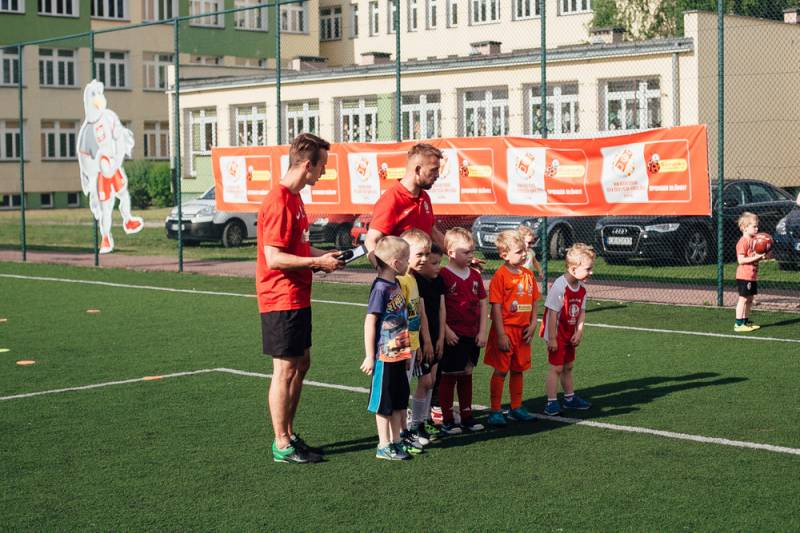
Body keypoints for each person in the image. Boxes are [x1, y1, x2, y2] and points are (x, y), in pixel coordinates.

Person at [257, 133, 345, 464]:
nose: (324, 172)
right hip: (279, 298)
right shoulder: (278, 201)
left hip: (297, 296)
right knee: (285, 369)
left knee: (301, 364)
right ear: (308, 165)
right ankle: (281, 442)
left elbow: (299, 247)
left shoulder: (295, 199)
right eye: (322, 166)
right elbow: (274, 258)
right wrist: (316, 264)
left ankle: (290, 434)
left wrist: (327, 255)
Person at [361, 236, 415, 461]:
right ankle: (383, 445)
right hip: (384, 356)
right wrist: (369, 356)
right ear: (395, 263)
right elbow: (370, 322)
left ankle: (395, 441)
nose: (409, 262)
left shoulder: (396, 285)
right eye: (407, 259)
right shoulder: (381, 288)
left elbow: (401, 320)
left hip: (399, 353)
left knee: (399, 401)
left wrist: (406, 352)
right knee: (384, 403)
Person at [485, 230, 540, 426]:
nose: (524, 254)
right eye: (519, 252)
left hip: (523, 332)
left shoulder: (528, 275)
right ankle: (495, 410)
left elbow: (534, 302)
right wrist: (500, 334)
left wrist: (533, 324)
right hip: (506, 331)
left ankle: (516, 407)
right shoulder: (500, 276)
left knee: (518, 369)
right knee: (501, 370)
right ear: (504, 255)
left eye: (525, 250)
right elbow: (496, 307)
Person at [438, 227, 488, 434]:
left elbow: (483, 302)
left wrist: (482, 331)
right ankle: (447, 419)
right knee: (449, 374)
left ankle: (467, 416)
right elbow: (437, 306)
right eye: (466, 252)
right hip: (453, 335)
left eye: (471, 251)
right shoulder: (442, 275)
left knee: (467, 371)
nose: (470, 256)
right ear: (451, 253)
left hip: (471, 334)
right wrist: (446, 330)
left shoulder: (475, 275)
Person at [539, 243, 595, 416]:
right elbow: (552, 314)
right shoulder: (559, 286)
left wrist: (579, 331)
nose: (591, 272)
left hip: (569, 332)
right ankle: (551, 402)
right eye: (588, 269)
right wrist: (552, 338)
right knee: (556, 368)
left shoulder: (582, 288)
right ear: (573, 269)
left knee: (568, 366)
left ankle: (570, 398)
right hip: (556, 333)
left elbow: (582, 312)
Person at [365, 143, 445, 258]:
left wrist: (457, 255)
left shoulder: (424, 197)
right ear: (418, 170)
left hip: (422, 268)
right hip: (400, 269)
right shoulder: (391, 199)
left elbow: (433, 233)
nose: (437, 175)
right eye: (433, 170)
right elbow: (371, 240)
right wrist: (381, 267)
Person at [399, 229, 437, 447]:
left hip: (414, 344)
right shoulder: (399, 281)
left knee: (423, 382)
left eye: (427, 254)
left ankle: (413, 426)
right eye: (419, 254)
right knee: (401, 389)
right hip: (401, 346)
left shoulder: (414, 279)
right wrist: (406, 345)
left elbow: (419, 313)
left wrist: (423, 342)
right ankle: (401, 432)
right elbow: (396, 318)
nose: (424, 259)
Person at [413, 242, 447, 433]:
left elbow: (442, 309)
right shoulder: (416, 282)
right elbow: (422, 313)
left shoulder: (439, 280)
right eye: (434, 263)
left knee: (432, 381)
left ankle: (425, 419)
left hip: (436, 337)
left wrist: (441, 338)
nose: (437, 267)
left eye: (438, 262)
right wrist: (426, 341)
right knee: (425, 381)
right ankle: (416, 423)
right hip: (422, 339)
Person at [734, 212, 766, 332]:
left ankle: (745, 321)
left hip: (752, 276)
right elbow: (741, 260)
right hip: (744, 276)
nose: (757, 228)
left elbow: (755, 256)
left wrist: (762, 256)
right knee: (743, 299)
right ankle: (738, 324)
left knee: (750, 299)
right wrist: (757, 257)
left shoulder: (754, 241)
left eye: (757, 226)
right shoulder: (743, 242)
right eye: (754, 226)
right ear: (744, 227)